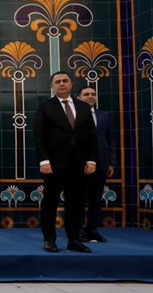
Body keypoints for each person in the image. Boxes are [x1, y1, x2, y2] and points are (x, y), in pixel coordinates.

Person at [34, 71, 98, 253]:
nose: (61, 84)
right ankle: (49, 239)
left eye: (65, 81)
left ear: (71, 84)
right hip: (53, 164)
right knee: (50, 202)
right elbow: (39, 136)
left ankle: (74, 240)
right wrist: (44, 161)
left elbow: (91, 136)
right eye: (57, 82)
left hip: (78, 164)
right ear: (52, 86)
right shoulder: (45, 107)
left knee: (76, 203)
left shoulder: (83, 107)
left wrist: (91, 160)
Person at [77, 86, 115, 243]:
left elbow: (111, 139)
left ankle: (92, 230)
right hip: (79, 164)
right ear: (79, 98)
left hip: (101, 163)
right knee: (78, 199)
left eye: (93, 94)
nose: (90, 96)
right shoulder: (73, 115)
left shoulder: (104, 116)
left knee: (96, 199)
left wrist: (111, 162)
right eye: (86, 94)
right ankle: (78, 231)